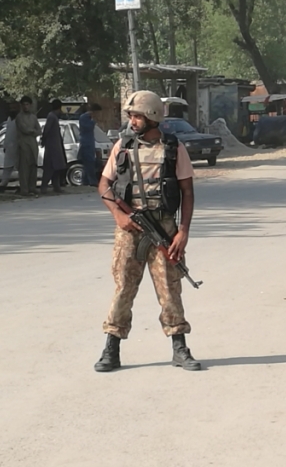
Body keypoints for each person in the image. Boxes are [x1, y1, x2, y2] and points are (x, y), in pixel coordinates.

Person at [94, 90, 200, 372]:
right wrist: (118, 215)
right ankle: (111, 349)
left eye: (137, 115)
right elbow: (104, 186)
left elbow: (187, 192)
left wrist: (183, 232)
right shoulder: (123, 146)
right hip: (130, 227)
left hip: (163, 226)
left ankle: (179, 348)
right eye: (131, 115)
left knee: (170, 287)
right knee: (123, 288)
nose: (133, 120)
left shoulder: (173, 148)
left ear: (152, 117)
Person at [15, 96, 41, 197]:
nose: (26, 107)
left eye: (27, 104)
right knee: (24, 169)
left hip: (33, 145)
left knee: (33, 166)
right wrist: (32, 131)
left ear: (30, 105)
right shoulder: (19, 117)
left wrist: (33, 131)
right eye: (24, 105)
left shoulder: (33, 117)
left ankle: (32, 188)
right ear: (21, 106)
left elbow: (39, 131)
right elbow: (24, 129)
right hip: (23, 144)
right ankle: (24, 189)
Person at [41, 99, 67, 193]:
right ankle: (44, 187)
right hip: (52, 146)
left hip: (56, 145)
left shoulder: (54, 117)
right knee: (49, 167)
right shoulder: (51, 116)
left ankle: (56, 186)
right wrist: (43, 140)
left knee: (57, 167)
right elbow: (46, 129)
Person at [78, 103, 103, 186]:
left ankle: (86, 181)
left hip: (90, 142)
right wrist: (93, 120)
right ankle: (92, 181)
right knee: (89, 162)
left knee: (89, 163)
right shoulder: (84, 118)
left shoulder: (88, 118)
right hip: (86, 143)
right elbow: (88, 127)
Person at [0, 103, 20, 191]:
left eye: (14, 108)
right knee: (7, 167)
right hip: (9, 147)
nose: (12, 110)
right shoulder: (9, 119)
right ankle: (2, 185)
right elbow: (7, 134)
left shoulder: (20, 119)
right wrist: (5, 145)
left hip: (18, 147)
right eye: (11, 108)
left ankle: (22, 185)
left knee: (20, 168)